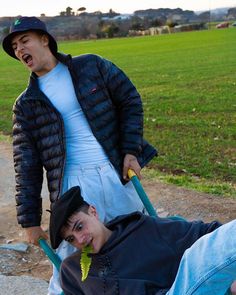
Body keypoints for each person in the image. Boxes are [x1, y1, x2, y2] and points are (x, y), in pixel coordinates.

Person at [2, 16, 157, 294]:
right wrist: (31, 220)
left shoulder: (92, 66)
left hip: (111, 172)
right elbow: (26, 164)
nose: (19, 49)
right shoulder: (25, 105)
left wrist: (131, 151)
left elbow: (130, 100)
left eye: (24, 40)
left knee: (140, 240)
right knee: (71, 265)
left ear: (45, 39)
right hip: (70, 188)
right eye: (14, 46)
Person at [50, 186, 236, 295]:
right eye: (71, 239)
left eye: (80, 227)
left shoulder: (142, 228)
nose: (80, 240)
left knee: (197, 255)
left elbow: (209, 234)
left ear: (93, 211)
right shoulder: (72, 270)